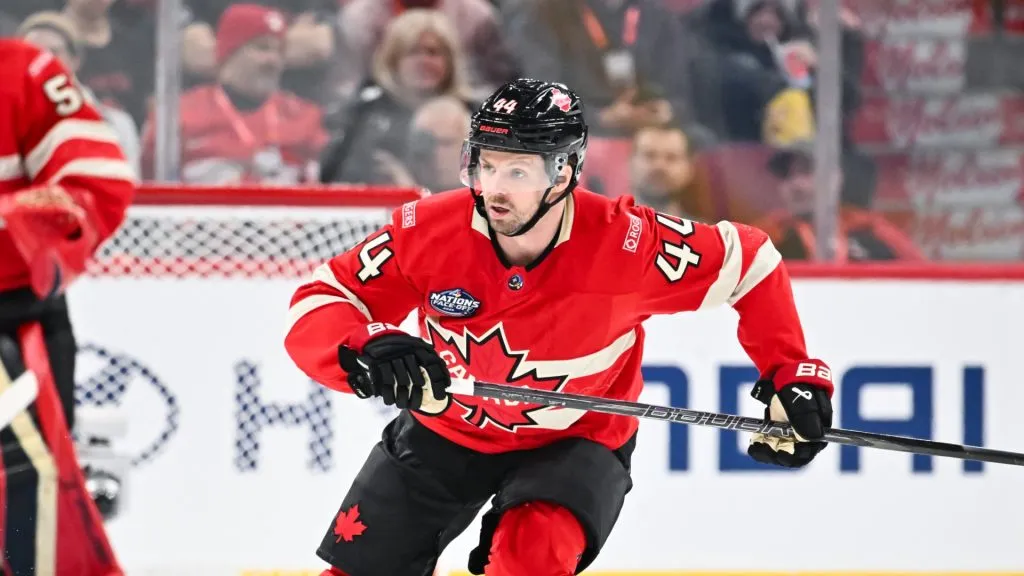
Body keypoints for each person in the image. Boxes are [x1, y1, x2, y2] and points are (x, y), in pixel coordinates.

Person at [284, 79, 834, 576]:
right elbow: (324, 298)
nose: (494, 188)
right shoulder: (426, 230)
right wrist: (364, 346)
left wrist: (792, 373)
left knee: (531, 558)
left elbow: (752, 263)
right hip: (446, 431)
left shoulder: (628, 244)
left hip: (576, 438)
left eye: (518, 171)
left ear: (564, 173)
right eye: (486, 164)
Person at [0, 38, 136, 575]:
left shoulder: (23, 71)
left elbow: (96, 183)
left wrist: (30, 223)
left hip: (14, 322)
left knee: (31, 488)